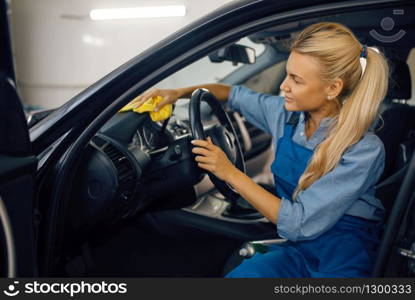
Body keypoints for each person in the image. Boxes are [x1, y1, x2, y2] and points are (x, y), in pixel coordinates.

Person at [130, 22, 389, 277]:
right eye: (287, 74)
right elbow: (232, 93)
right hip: (298, 248)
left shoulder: (362, 149)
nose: (283, 86)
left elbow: (298, 222)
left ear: (333, 88)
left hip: (341, 257)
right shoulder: (285, 115)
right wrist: (177, 93)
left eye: (296, 80)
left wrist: (228, 172)